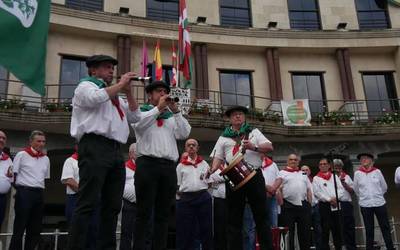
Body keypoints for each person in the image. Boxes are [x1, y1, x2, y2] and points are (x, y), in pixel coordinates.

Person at [68, 55, 141, 250]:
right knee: (87, 202)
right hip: (94, 145)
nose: (111, 71)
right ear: (93, 70)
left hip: (116, 150)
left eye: (111, 68)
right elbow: (94, 99)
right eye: (106, 67)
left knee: (112, 206)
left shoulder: (115, 96)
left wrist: (129, 91)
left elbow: (135, 116)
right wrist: (119, 85)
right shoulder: (85, 86)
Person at [132, 80, 191, 250]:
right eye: (159, 91)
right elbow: (139, 125)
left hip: (168, 167)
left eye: (165, 91)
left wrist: (176, 111)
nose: (164, 94)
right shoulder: (141, 112)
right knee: (143, 212)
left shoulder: (171, 116)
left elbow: (184, 133)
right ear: (150, 95)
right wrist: (158, 109)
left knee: (163, 213)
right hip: (147, 165)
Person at [207, 105, 273, 250]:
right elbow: (217, 159)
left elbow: (269, 147)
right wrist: (210, 171)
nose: (238, 116)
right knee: (234, 219)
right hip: (234, 176)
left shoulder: (254, 132)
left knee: (261, 216)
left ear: (244, 117)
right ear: (230, 119)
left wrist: (253, 147)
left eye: (241, 114)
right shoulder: (223, 137)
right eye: (235, 114)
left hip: (254, 175)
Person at [10, 130, 50, 250]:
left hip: (39, 193)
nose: (42, 144)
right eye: (39, 141)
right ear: (31, 141)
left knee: (35, 229)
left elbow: (44, 178)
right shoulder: (21, 154)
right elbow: (13, 176)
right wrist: (21, 192)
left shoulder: (46, 159)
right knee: (19, 228)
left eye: (43, 141)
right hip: (24, 192)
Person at [176, 139, 212, 250]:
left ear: (198, 148)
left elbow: (209, 182)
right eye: (188, 145)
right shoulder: (180, 166)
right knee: (186, 230)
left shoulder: (204, 163)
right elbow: (178, 186)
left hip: (203, 198)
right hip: (186, 200)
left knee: (206, 228)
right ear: (185, 148)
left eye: (194, 145)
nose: (191, 146)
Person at [353, 153, 395, 250]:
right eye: (362, 159)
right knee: (369, 229)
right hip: (365, 204)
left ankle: (390, 248)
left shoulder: (377, 172)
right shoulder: (357, 173)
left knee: (385, 227)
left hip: (379, 203)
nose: (363, 160)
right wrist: (365, 197)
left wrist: (377, 195)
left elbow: (384, 187)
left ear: (371, 160)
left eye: (366, 158)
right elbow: (356, 189)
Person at [271, 154, 312, 250]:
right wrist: (282, 204)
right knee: (289, 234)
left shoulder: (303, 173)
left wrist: (309, 204)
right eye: (291, 159)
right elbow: (277, 189)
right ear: (287, 161)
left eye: (295, 159)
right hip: (288, 206)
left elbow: (309, 189)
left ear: (298, 162)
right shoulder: (282, 173)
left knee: (305, 233)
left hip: (303, 205)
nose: (293, 161)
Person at [312, 158, 344, 250]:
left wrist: (335, 198)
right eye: (321, 164)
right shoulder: (316, 178)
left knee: (337, 230)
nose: (323, 165)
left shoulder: (334, 176)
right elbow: (317, 192)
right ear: (319, 166)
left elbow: (341, 189)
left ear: (329, 166)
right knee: (325, 231)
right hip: (324, 206)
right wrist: (329, 199)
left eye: (324, 164)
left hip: (336, 205)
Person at [332, 159, 356, 250]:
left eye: (339, 167)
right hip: (335, 204)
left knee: (349, 226)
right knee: (338, 227)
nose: (338, 169)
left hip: (346, 204)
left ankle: (351, 247)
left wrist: (344, 183)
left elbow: (352, 191)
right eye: (336, 167)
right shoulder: (330, 177)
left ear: (341, 168)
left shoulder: (347, 176)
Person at [120, 143, 138, 250]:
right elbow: (119, 185)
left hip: (144, 205)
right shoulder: (124, 168)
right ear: (131, 154)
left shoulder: (145, 168)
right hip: (128, 204)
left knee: (145, 233)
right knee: (126, 233)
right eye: (137, 151)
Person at [301, 165, 321, 250]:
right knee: (306, 230)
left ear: (310, 171)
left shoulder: (315, 180)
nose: (305, 171)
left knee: (318, 229)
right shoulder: (300, 181)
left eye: (307, 169)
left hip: (316, 206)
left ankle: (319, 247)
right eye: (303, 170)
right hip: (305, 207)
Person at [208, 164, 227, 250]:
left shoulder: (230, 164)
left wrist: (219, 178)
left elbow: (231, 176)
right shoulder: (215, 168)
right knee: (218, 226)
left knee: (229, 226)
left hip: (230, 199)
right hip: (218, 199)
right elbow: (211, 178)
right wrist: (223, 178)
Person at [262, 156, 279, 228]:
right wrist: (266, 189)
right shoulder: (252, 163)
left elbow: (279, 178)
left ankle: (273, 239)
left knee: (273, 224)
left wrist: (273, 189)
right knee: (258, 224)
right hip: (258, 197)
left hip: (272, 197)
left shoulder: (273, 164)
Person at [0, 131, 13, 228]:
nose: (1, 140)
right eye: (0, 137)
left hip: (2, 198)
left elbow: (11, 177)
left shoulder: (8, 159)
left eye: (4, 138)